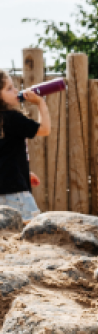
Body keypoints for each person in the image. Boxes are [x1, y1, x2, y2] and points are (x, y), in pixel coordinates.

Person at [0, 70, 50, 221]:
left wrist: (23, 173)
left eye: (14, 87)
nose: (16, 90)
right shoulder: (12, 118)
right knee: (33, 232)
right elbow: (44, 129)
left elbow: (5, 156)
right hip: (16, 194)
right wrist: (40, 103)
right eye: (9, 88)